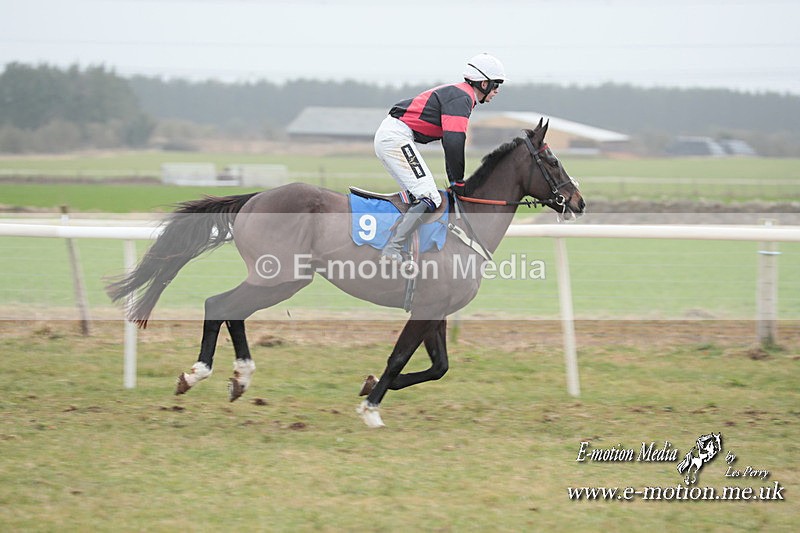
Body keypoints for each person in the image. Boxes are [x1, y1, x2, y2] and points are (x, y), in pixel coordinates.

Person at [374, 53, 506, 262]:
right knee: (430, 196)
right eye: (496, 84)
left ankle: (402, 245)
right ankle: (393, 248)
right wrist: (457, 181)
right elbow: (454, 142)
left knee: (419, 195)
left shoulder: (462, 96)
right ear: (483, 83)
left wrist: (455, 179)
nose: (497, 91)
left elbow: (450, 142)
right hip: (395, 137)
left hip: (394, 135)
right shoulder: (462, 98)